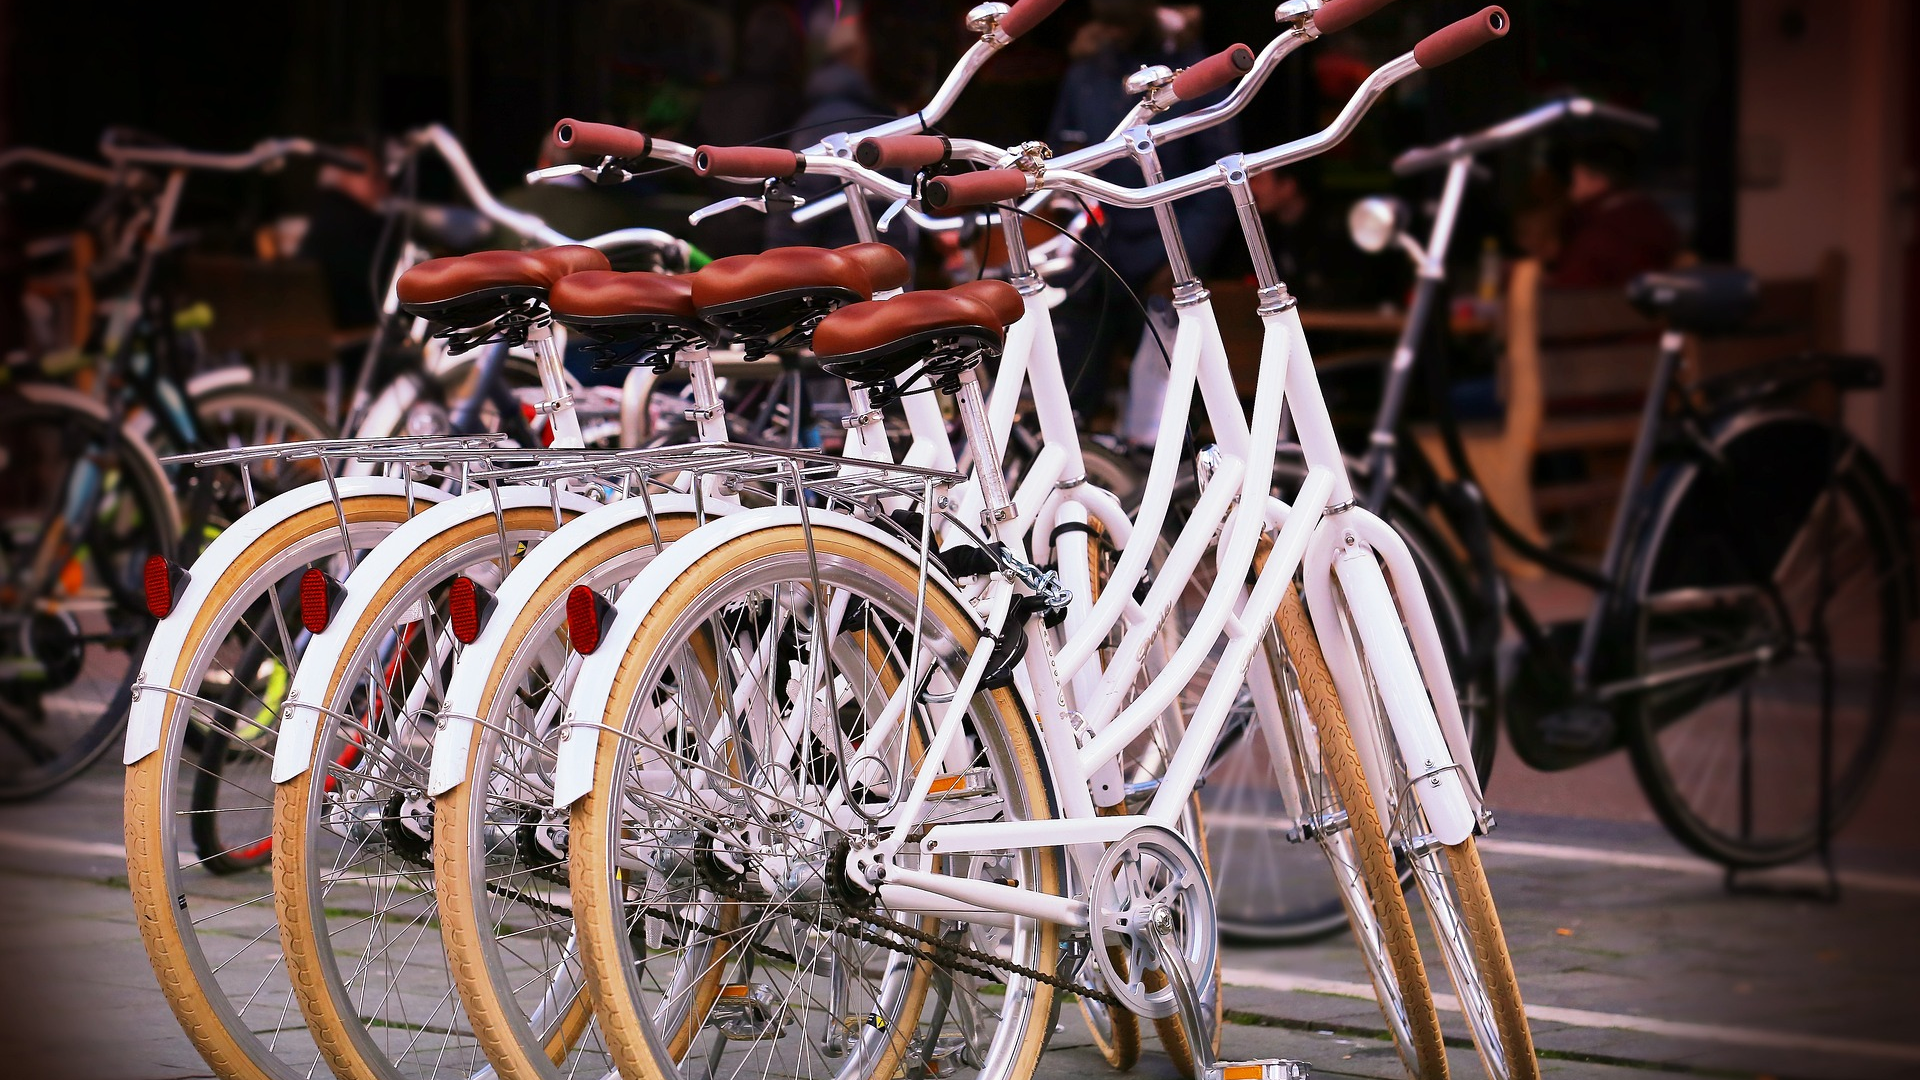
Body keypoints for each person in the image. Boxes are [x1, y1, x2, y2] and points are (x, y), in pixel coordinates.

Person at [1045, 0, 1239, 426]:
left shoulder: (1196, 74)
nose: (1113, 33)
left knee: (1170, 410)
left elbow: (1219, 180)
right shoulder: (1088, 73)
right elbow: (1060, 158)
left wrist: (1181, 259)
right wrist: (1066, 234)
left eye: (1123, 25)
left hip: (1165, 254)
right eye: (1107, 24)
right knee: (1070, 398)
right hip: (1094, 253)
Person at [1547, 137, 1680, 289]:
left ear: (1598, 180)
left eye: (1575, 180)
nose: (1571, 192)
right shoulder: (1651, 218)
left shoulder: (1600, 233)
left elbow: (1571, 291)